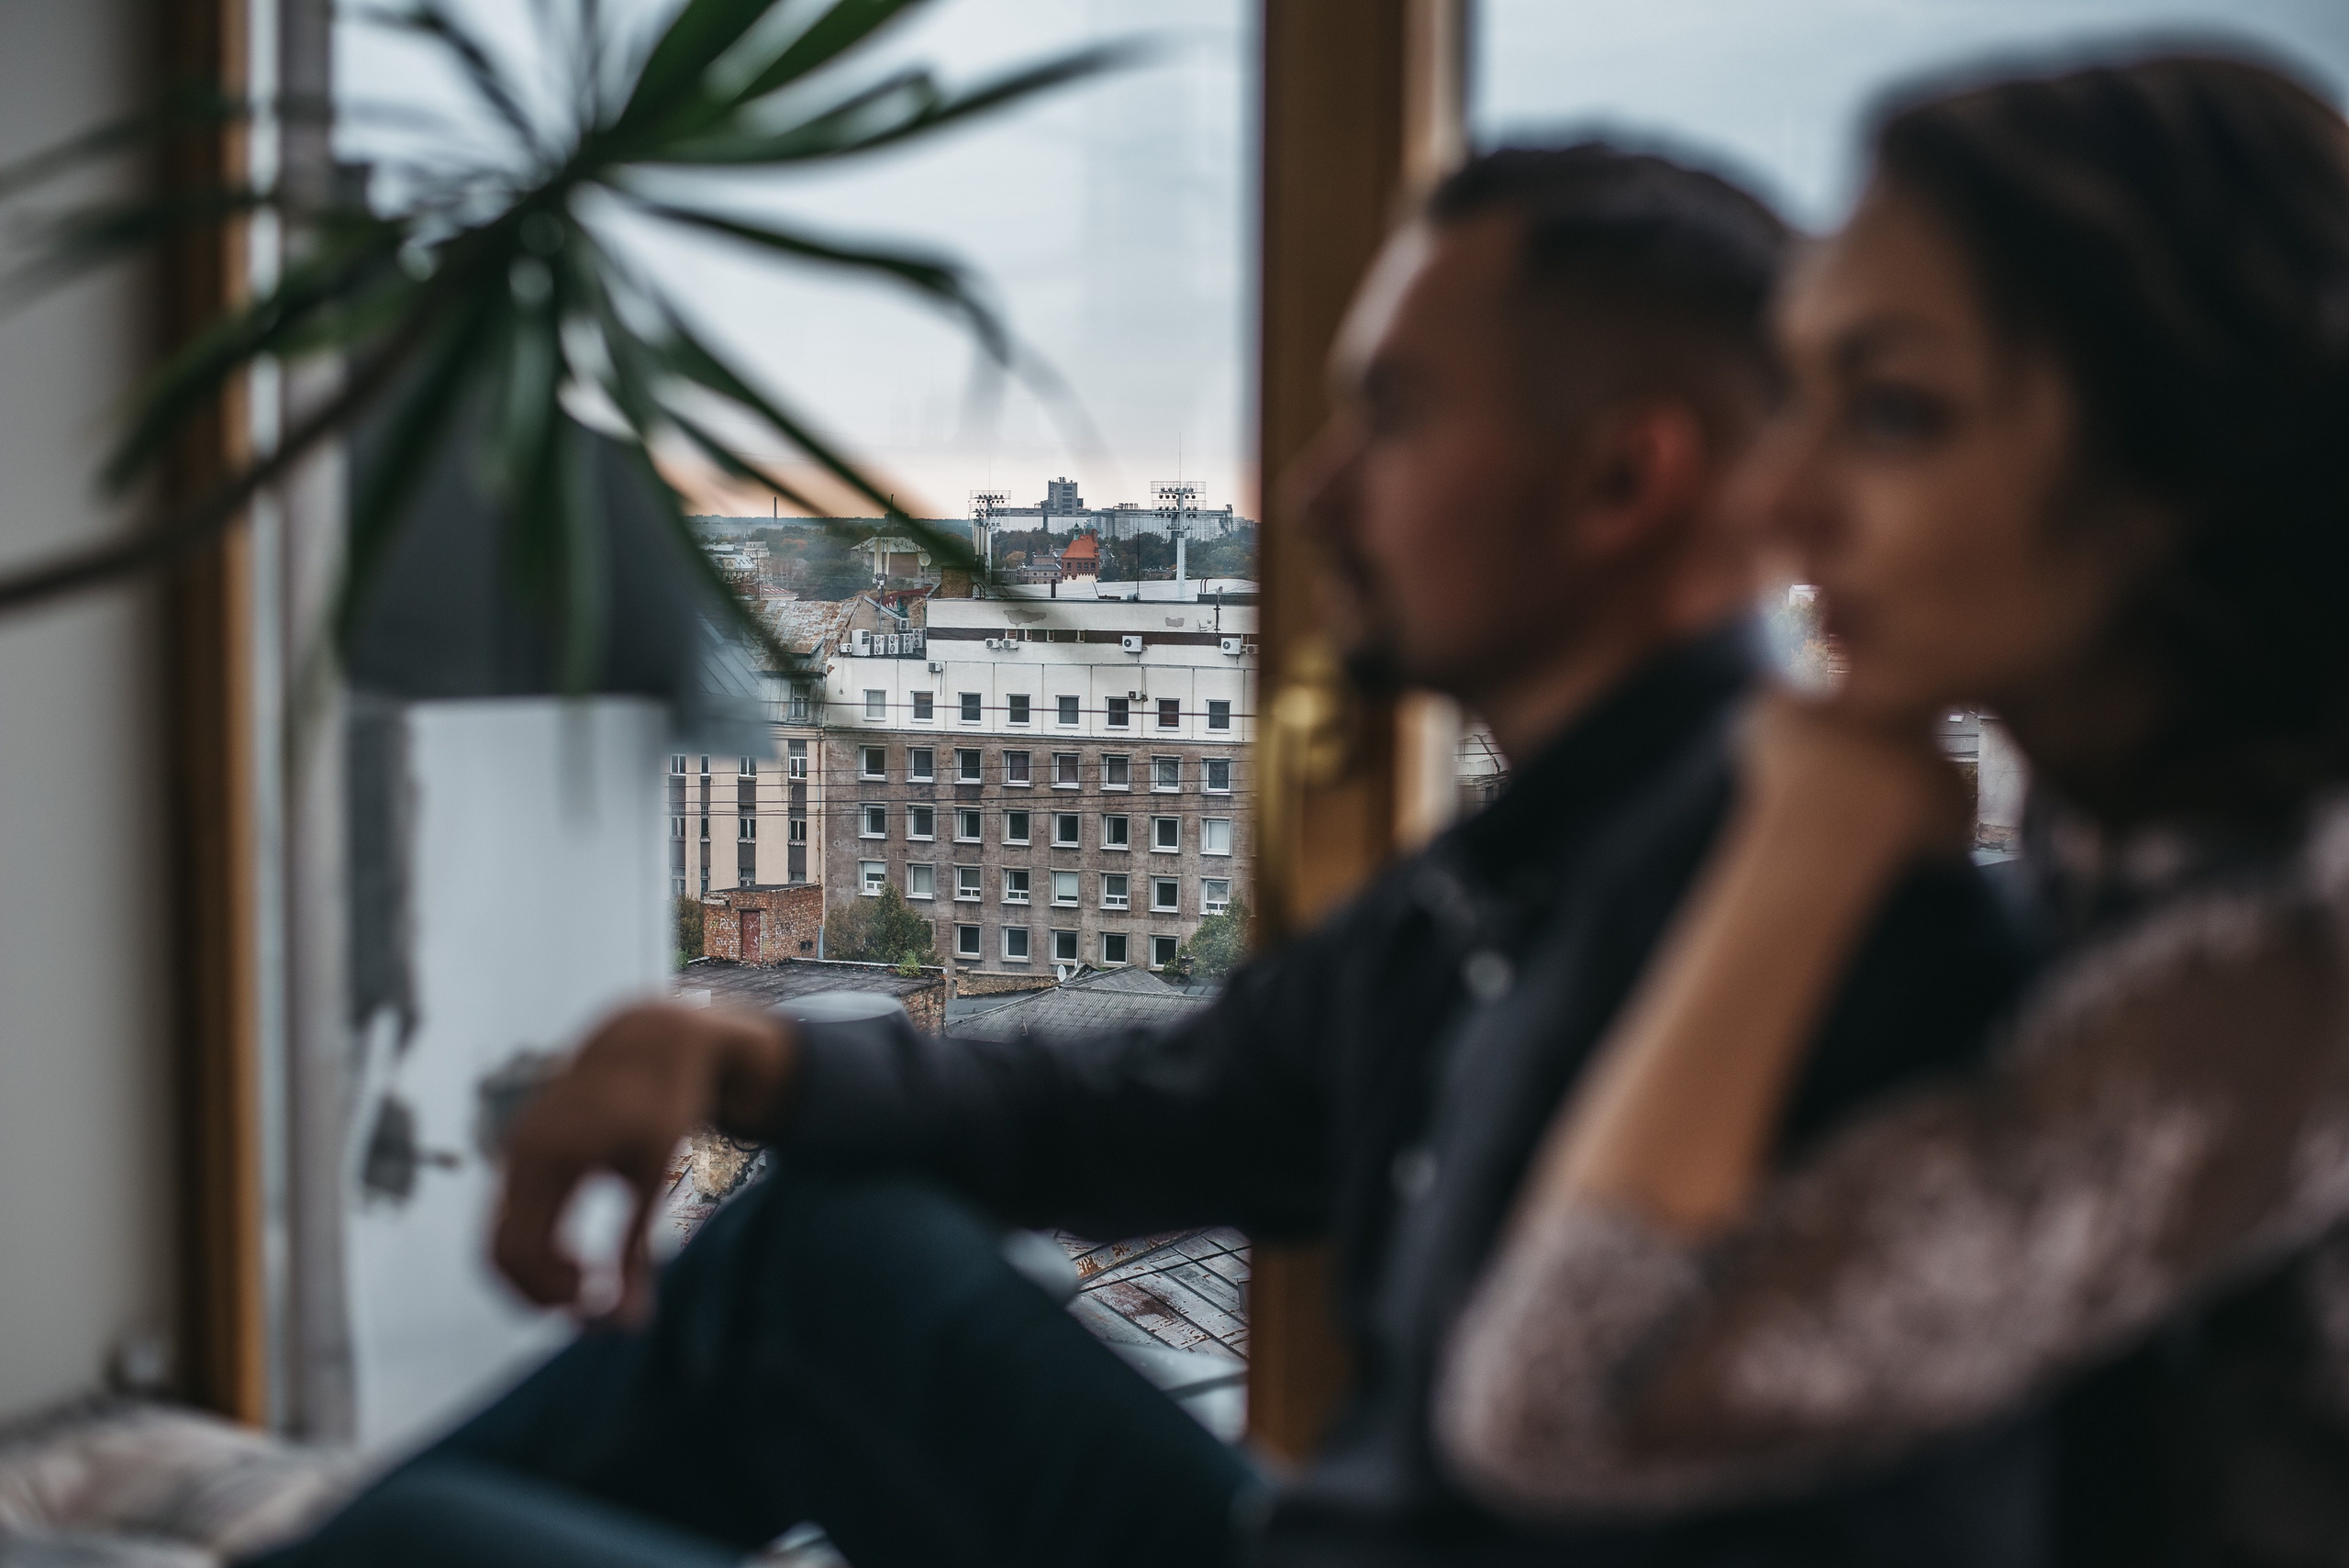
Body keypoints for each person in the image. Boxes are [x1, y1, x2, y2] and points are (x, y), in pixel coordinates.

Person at [254, 148, 2032, 1568]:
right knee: (818, 1253)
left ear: (1621, 479)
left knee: (420, 1535)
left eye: (1391, 414)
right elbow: (1160, 1098)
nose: (1321, 491)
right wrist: (752, 1052)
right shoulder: (1530, 861)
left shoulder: (1803, 926)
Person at [1433, 52, 2349, 1568]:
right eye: (1799, 392)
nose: (1780, 495)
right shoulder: (2131, 836)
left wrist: (1802, 847)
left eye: (1898, 411)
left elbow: (1569, 1397)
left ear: (2181, 459)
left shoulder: (2296, 952)